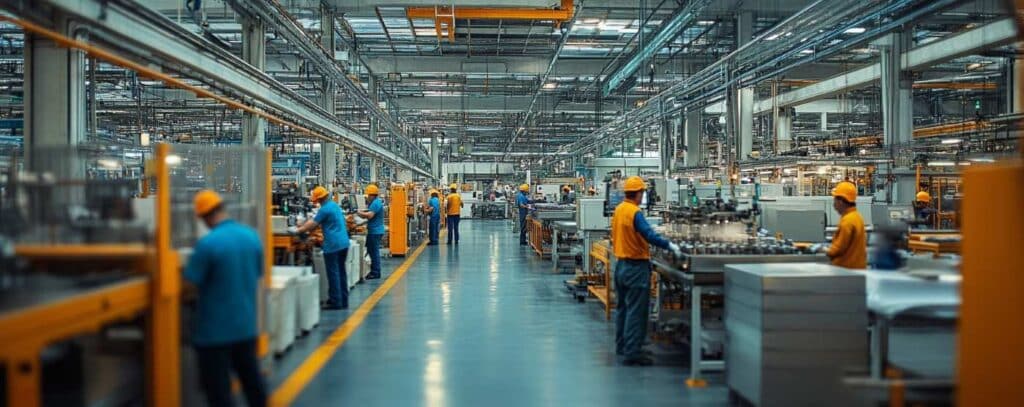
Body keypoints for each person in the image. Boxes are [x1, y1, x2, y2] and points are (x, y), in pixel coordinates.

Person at [184, 190, 267, 407]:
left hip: (215, 332)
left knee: (219, 390)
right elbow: (258, 273)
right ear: (222, 209)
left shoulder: (208, 244)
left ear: (204, 217)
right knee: (252, 381)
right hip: (246, 326)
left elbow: (191, 282)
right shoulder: (251, 237)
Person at [610, 176, 681, 366]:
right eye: (643, 192)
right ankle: (633, 352)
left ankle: (622, 346)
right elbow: (648, 234)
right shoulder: (634, 212)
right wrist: (669, 245)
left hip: (620, 266)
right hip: (635, 268)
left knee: (623, 308)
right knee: (636, 310)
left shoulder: (618, 210)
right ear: (639, 193)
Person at [292, 186, 350, 309]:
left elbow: (312, 224)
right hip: (344, 242)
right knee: (341, 271)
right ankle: (343, 300)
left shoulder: (324, 210)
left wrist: (297, 230)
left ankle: (336, 302)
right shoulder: (333, 205)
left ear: (319, 199)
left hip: (333, 245)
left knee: (333, 272)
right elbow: (315, 220)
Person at [826, 181, 867, 269]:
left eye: (835, 200)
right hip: (856, 269)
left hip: (846, 271)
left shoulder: (848, 221)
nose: (834, 204)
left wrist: (821, 250)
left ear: (841, 201)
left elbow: (838, 249)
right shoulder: (856, 217)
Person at [357, 184, 384, 280]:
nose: (367, 198)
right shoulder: (375, 202)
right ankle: (373, 270)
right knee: (371, 250)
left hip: (375, 232)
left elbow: (370, 215)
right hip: (375, 230)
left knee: (374, 252)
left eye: (368, 195)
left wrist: (358, 212)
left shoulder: (376, 203)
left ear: (372, 195)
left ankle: (376, 272)